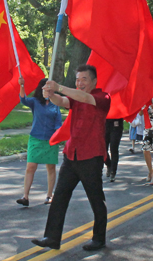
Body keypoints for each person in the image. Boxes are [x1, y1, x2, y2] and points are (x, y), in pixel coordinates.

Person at [31, 64, 110, 252]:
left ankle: (99, 239)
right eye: (77, 79)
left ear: (94, 81)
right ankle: (51, 237)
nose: (79, 83)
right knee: (59, 197)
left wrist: (58, 87)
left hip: (91, 156)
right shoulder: (76, 97)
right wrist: (50, 94)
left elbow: (82, 97)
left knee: (96, 200)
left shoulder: (102, 97)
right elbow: (63, 102)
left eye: (84, 79)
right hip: (71, 154)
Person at [16, 77, 62, 207]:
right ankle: (25, 196)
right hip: (35, 138)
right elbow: (23, 100)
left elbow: (58, 122)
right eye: (45, 89)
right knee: (31, 166)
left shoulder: (56, 104)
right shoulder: (35, 102)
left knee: (50, 167)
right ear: (41, 90)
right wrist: (22, 85)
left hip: (50, 140)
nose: (47, 91)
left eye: (49, 89)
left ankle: (49, 195)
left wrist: (59, 134)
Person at [104, 117, 124, 182]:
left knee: (113, 148)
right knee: (103, 149)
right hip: (104, 124)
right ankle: (109, 164)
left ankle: (113, 171)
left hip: (116, 125)